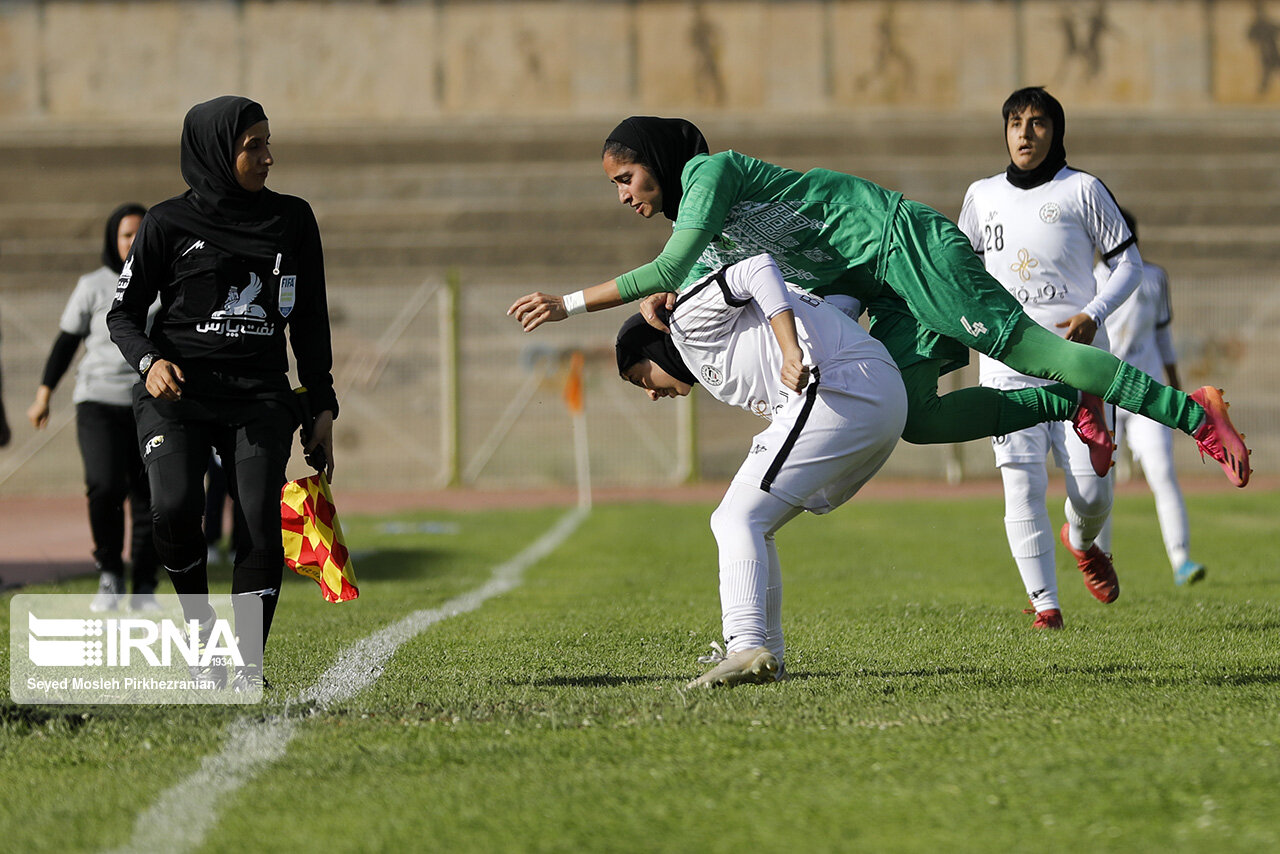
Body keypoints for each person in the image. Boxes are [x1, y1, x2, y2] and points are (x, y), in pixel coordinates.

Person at [506, 115, 1251, 491]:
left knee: (1033, 349)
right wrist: (661, 301)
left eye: (625, 177)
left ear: (658, 162)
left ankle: (1198, 415)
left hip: (904, 248)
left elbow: (670, 265)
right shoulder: (707, 229)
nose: (623, 194)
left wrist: (566, 303)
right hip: (880, 291)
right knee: (915, 419)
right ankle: (1068, 403)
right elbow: (688, 276)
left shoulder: (708, 174)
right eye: (615, 185)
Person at [107, 95, 338, 692]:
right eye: (252, 146)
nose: (268, 157)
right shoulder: (165, 222)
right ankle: (199, 628)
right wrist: (149, 361)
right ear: (215, 152)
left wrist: (322, 404)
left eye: (268, 142)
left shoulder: (293, 219)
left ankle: (247, 668)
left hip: (260, 396)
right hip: (178, 396)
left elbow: (310, 319)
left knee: (259, 519)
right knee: (175, 506)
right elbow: (122, 315)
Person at [616, 253, 907, 687]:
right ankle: (769, 660)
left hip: (843, 390)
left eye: (639, 377)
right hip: (870, 393)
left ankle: (744, 646)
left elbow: (757, 267)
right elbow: (833, 306)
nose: (650, 393)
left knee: (735, 518)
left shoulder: (683, 321)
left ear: (651, 348)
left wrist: (791, 349)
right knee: (756, 523)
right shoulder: (711, 350)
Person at [958, 86, 1134, 629]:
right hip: (1006, 367)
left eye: (1036, 123)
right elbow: (961, 274)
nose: (1025, 133)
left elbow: (1129, 265)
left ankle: (1082, 541)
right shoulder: (981, 195)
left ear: (1055, 131)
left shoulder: (1083, 189)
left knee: (1092, 494)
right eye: (1015, 123)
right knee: (1021, 483)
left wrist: (1095, 313)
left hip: (1078, 367)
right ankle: (1045, 606)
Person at [27, 203, 159, 612]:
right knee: (104, 486)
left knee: (151, 496)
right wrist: (44, 395)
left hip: (150, 404)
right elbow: (66, 343)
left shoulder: (167, 282)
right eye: (125, 235)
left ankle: (144, 588)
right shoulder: (93, 285)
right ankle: (110, 575)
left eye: (140, 234)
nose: (132, 242)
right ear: (111, 239)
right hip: (98, 402)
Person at [1095, 208, 1205, 587]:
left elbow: (1162, 336)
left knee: (1162, 472)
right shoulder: (1088, 279)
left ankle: (1181, 559)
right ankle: (1101, 567)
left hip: (1147, 393)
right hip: (1105, 395)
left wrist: (1176, 390)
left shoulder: (1154, 277)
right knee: (1101, 484)